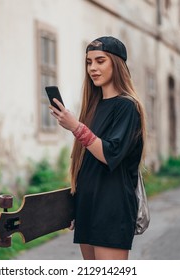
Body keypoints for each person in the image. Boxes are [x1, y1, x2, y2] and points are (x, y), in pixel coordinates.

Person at [49, 36, 147, 260]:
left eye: (100, 61)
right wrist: (75, 205)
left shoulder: (127, 106)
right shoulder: (93, 107)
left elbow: (109, 153)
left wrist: (75, 127)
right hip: (88, 206)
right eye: (89, 62)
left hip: (112, 208)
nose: (93, 68)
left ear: (117, 63)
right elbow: (87, 163)